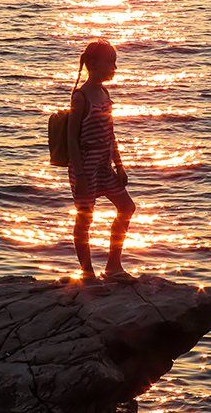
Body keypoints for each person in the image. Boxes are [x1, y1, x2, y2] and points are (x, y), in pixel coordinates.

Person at [67, 39, 137, 284]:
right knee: (85, 217)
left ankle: (113, 266)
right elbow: (71, 140)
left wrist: (120, 166)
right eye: (111, 63)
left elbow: (111, 134)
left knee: (127, 208)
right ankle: (87, 273)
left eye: (115, 63)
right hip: (85, 165)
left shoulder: (104, 93)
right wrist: (82, 176)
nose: (114, 68)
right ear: (93, 64)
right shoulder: (81, 97)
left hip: (104, 165)